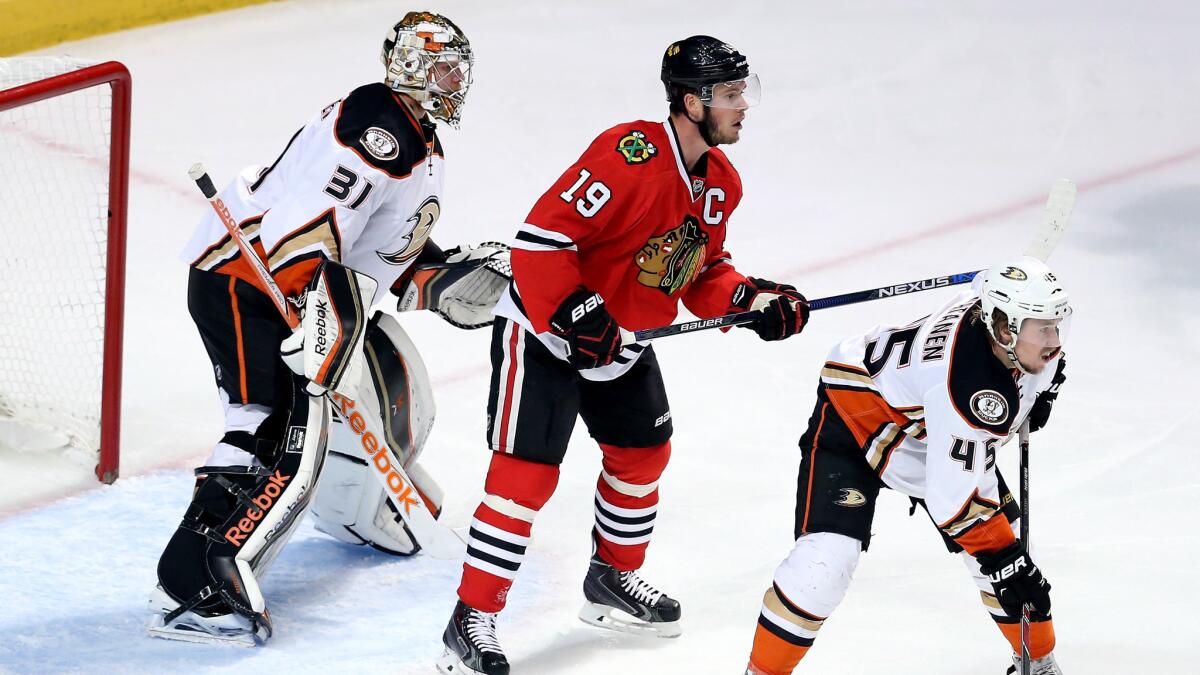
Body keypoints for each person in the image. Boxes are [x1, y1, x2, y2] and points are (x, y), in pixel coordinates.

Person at [436, 36, 811, 675]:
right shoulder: (627, 154)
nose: (742, 105)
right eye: (728, 95)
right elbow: (539, 242)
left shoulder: (721, 182)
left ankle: (611, 579)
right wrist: (576, 310)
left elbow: (698, 271)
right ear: (691, 103)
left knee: (643, 456)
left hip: (623, 345)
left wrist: (752, 302)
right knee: (525, 478)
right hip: (546, 335)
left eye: (741, 92)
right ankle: (471, 619)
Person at [148, 11, 506, 646]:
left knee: (283, 425)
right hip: (247, 280)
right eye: (446, 68)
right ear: (415, 70)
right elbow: (303, 233)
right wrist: (318, 312)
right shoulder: (378, 130)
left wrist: (445, 278)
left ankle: (208, 569)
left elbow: (384, 255)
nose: (458, 81)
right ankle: (197, 585)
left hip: (281, 285)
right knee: (269, 427)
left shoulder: (421, 144)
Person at [744, 256, 1071, 675]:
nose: (1055, 339)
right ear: (1005, 329)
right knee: (823, 567)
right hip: (856, 414)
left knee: (1006, 558)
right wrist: (1007, 562)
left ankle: (1038, 663)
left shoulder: (1000, 319)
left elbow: (1039, 341)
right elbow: (956, 506)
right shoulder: (967, 390)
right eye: (1042, 327)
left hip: (924, 422)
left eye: (1055, 324)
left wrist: (1043, 387)